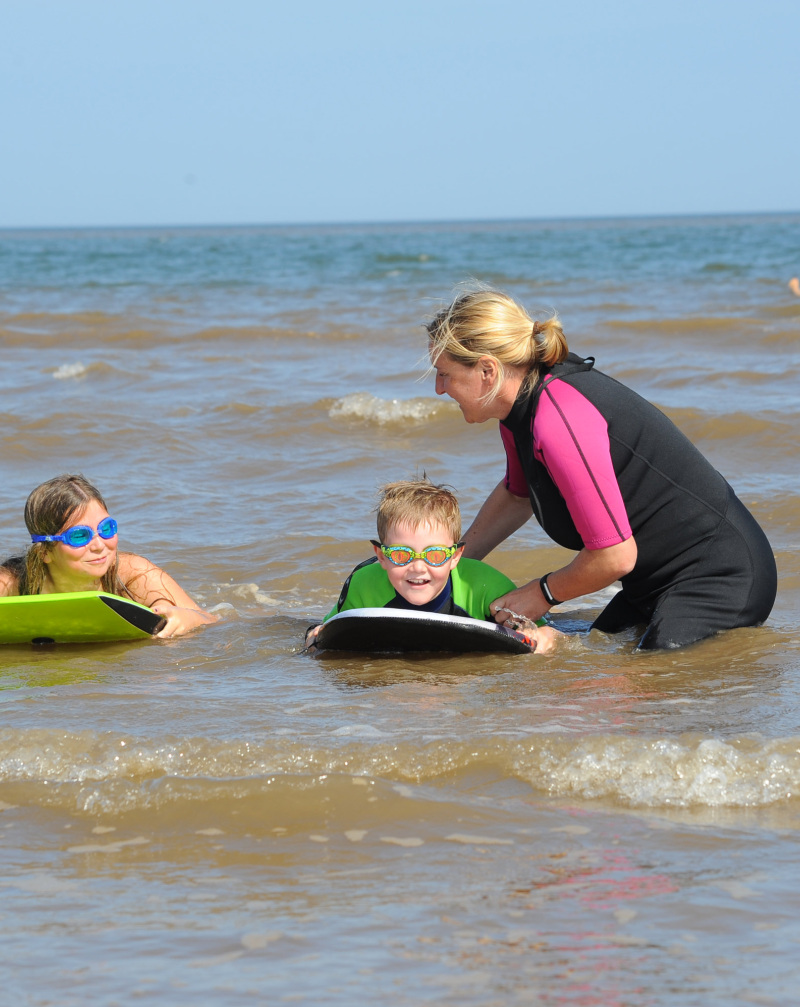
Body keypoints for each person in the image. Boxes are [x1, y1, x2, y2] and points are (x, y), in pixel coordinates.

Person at [427, 287, 777, 650]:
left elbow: (614, 555)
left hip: (719, 576)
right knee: (590, 649)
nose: (439, 389)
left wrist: (541, 593)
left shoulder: (557, 418)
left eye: (444, 374)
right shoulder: (518, 412)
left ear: (487, 370)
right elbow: (517, 497)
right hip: (651, 582)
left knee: (651, 680)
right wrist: (446, 566)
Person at [305, 478, 559, 652]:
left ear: (455, 557)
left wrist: (543, 639)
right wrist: (313, 639)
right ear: (381, 557)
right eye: (402, 554)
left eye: (435, 555)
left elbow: (547, 633)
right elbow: (328, 630)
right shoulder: (362, 586)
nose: (418, 567)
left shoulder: (485, 586)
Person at [0, 474, 218, 638]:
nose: (99, 545)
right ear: (45, 552)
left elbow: (213, 621)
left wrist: (187, 619)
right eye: (79, 535)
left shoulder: (136, 575)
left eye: (106, 528)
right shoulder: (11, 583)